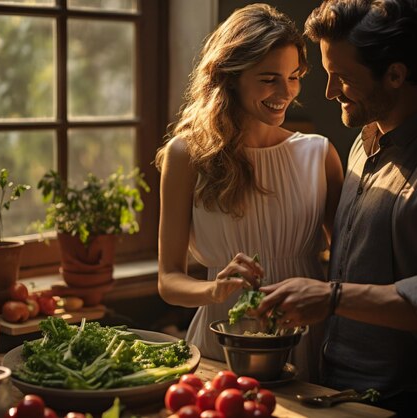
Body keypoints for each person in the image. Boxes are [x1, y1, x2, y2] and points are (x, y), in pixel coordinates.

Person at [253, 0, 417, 416]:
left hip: (402, 402)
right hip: (329, 387)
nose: (329, 92)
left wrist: (332, 297)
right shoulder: (365, 139)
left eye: (343, 78)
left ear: (395, 74)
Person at [154, 3, 344, 382]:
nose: (285, 92)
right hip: (222, 344)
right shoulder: (186, 155)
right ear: (231, 77)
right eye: (269, 78)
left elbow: (348, 266)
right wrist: (215, 289)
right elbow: (168, 280)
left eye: (293, 77)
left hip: (302, 341)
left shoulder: (318, 154)